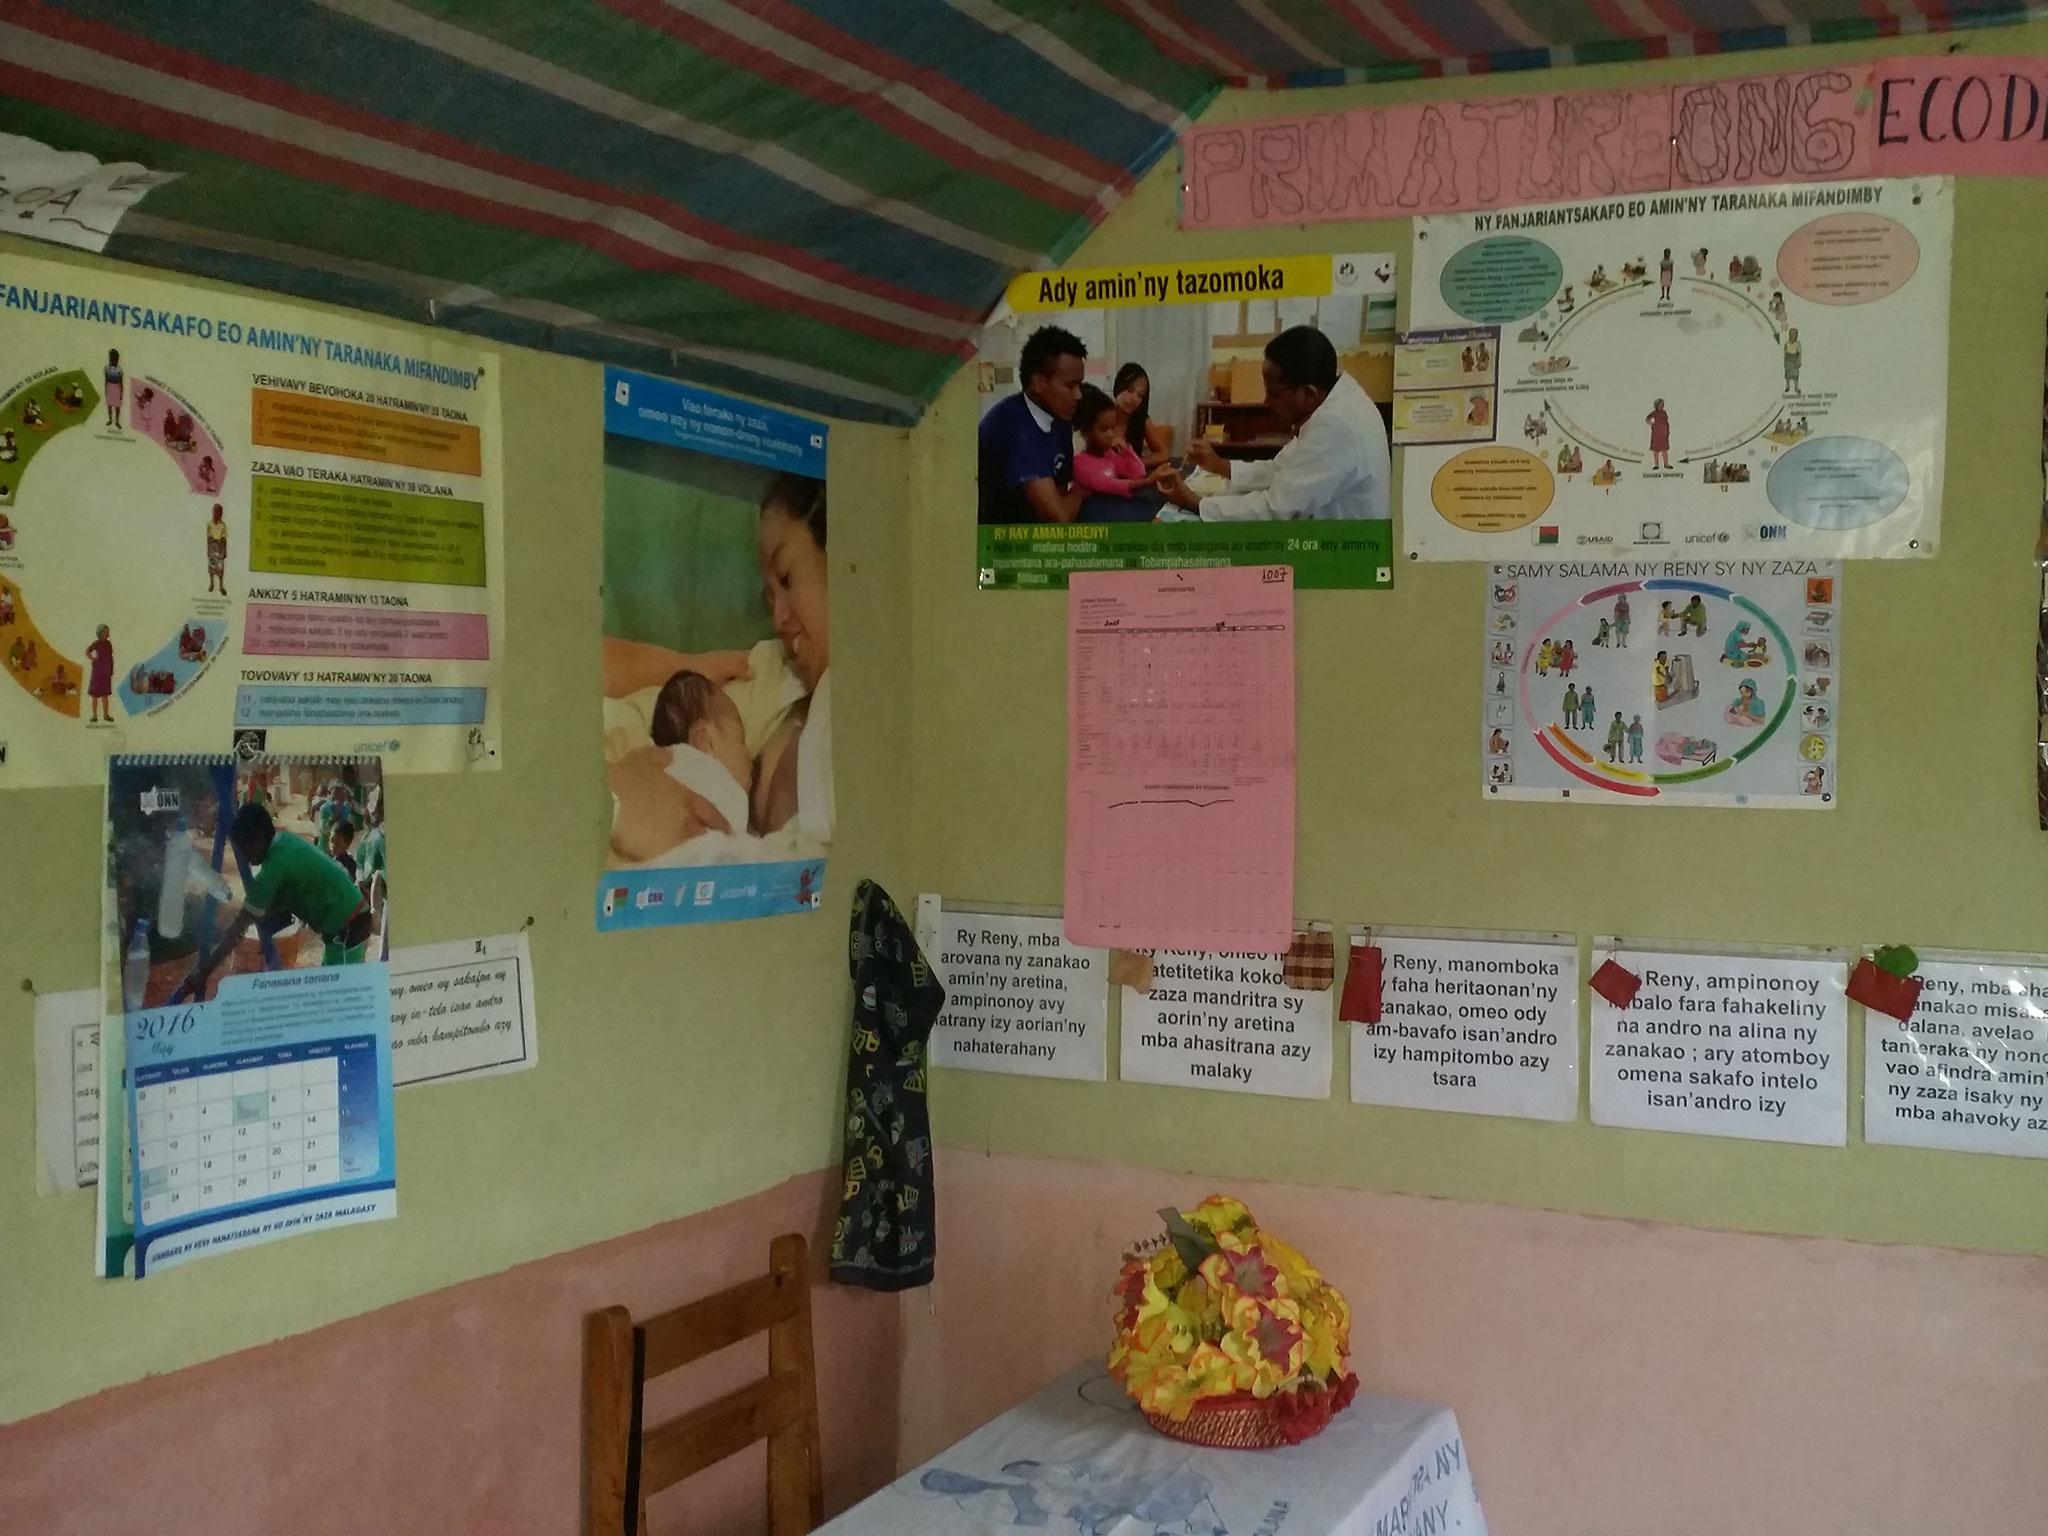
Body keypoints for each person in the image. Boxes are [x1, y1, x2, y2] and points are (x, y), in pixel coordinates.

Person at [1181, 326, 1391, 522]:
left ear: (1308, 393)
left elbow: (1280, 508)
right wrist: (1221, 466)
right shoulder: (1335, 402)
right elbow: (1282, 469)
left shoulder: (1335, 424)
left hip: (1347, 550)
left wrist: (1197, 504)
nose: (1266, 402)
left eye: (1273, 393)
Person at [188, 803, 375, 993]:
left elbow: (240, 924)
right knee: (329, 994)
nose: (244, 858)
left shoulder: (273, 868)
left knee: (340, 998)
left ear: (258, 839)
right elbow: (274, 906)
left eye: (245, 849)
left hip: (348, 931)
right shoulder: (285, 841)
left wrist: (203, 973)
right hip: (343, 928)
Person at [978, 325, 1084, 524]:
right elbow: (1057, 516)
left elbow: (1060, 490)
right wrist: (1083, 491)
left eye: (1080, 385)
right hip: (999, 547)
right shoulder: (1011, 426)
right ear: (1038, 383)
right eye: (1070, 386)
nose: (1079, 395)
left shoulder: (1059, 419)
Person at [1070, 385, 1179, 507]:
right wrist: (1150, 480)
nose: (1111, 434)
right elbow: (1113, 486)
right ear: (1086, 432)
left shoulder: (1108, 454)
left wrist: (1126, 450)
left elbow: (1138, 472)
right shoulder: (1080, 463)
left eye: (1112, 428)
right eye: (1104, 429)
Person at [1112, 363, 1173, 469]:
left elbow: (1163, 454)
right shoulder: (1102, 413)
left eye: (1140, 395)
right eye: (1130, 390)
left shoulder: (1140, 419)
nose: (1134, 399)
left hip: (1132, 479)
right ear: (1118, 386)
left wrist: (1135, 463)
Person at [85, 624, 114, 723]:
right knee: (95, 694)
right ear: (101, 633)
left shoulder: (109, 644)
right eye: (106, 631)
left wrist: (111, 669)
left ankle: (106, 715)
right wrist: (93, 659)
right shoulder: (97, 643)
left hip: (106, 671)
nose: (108, 633)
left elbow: (110, 657)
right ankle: (94, 715)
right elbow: (87, 651)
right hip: (97, 671)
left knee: (105, 694)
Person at [206, 503, 228, 594]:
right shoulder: (209, 524)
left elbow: (224, 539)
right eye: (215, 512)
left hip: (220, 548)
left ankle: (221, 587)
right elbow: (208, 537)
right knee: (211, 568)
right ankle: (211, 584)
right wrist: (208, 550)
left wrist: (225, 551)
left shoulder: (223, 525)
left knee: (220, 569)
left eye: (219, 512)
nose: (217, 514)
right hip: (212, 547)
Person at [1646, 398, 1671, 470]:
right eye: (1660, 404)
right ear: (1657, 405)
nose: (1662, 405)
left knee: (1664, 450)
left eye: (1663, 404)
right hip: (1656, 434)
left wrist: (1667, 431)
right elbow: (1647, 419)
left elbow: (1666, 422)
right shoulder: (1654, 413)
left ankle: (1666, 464)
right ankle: (1656, 465)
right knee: (1656, 450)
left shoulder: (1664, 412)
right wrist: (1651, 423)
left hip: (1664, 434)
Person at [104, 348, 123, 429]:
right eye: (111, 358)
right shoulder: (106, 368)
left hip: (116, 388)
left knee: (117, 407)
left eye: (114, 358)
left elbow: (121, 382)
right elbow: (106, 380)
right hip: (110, 387)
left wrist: (121, 392)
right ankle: (110, 419)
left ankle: (117, 422)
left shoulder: (119, 370)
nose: (113, 360)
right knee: (109, 405)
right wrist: (106, 390)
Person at [1783, 327, 1802, 393]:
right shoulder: (1787, 343)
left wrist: (1798, 361)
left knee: (1795, 376)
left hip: (1794, 360)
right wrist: (1785, 360)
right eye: (1791, 334)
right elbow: (1785, 352)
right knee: (1787, 375)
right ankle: (1787, 387)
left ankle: (1796, 388)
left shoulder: (1797, 344)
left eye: (1794, 334)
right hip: (1788, 360)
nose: (1792, 336)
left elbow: (1799, 353)